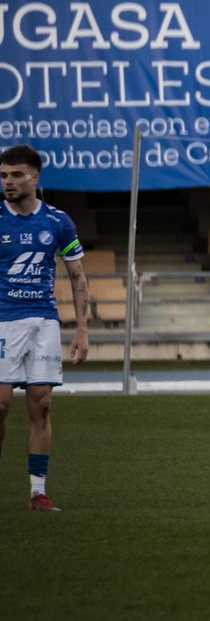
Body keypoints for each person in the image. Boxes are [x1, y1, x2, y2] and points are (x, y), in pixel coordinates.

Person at [0, 145, 89, 513]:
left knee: (42, 405)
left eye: (16, 175)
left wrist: (82, 327)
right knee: (0, 405)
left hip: (44, 320)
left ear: (35, 177)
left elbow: (77, 275)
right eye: (4, 175)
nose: (8, 182)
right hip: (3, 319)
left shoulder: (58, 221)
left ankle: (38, 492)